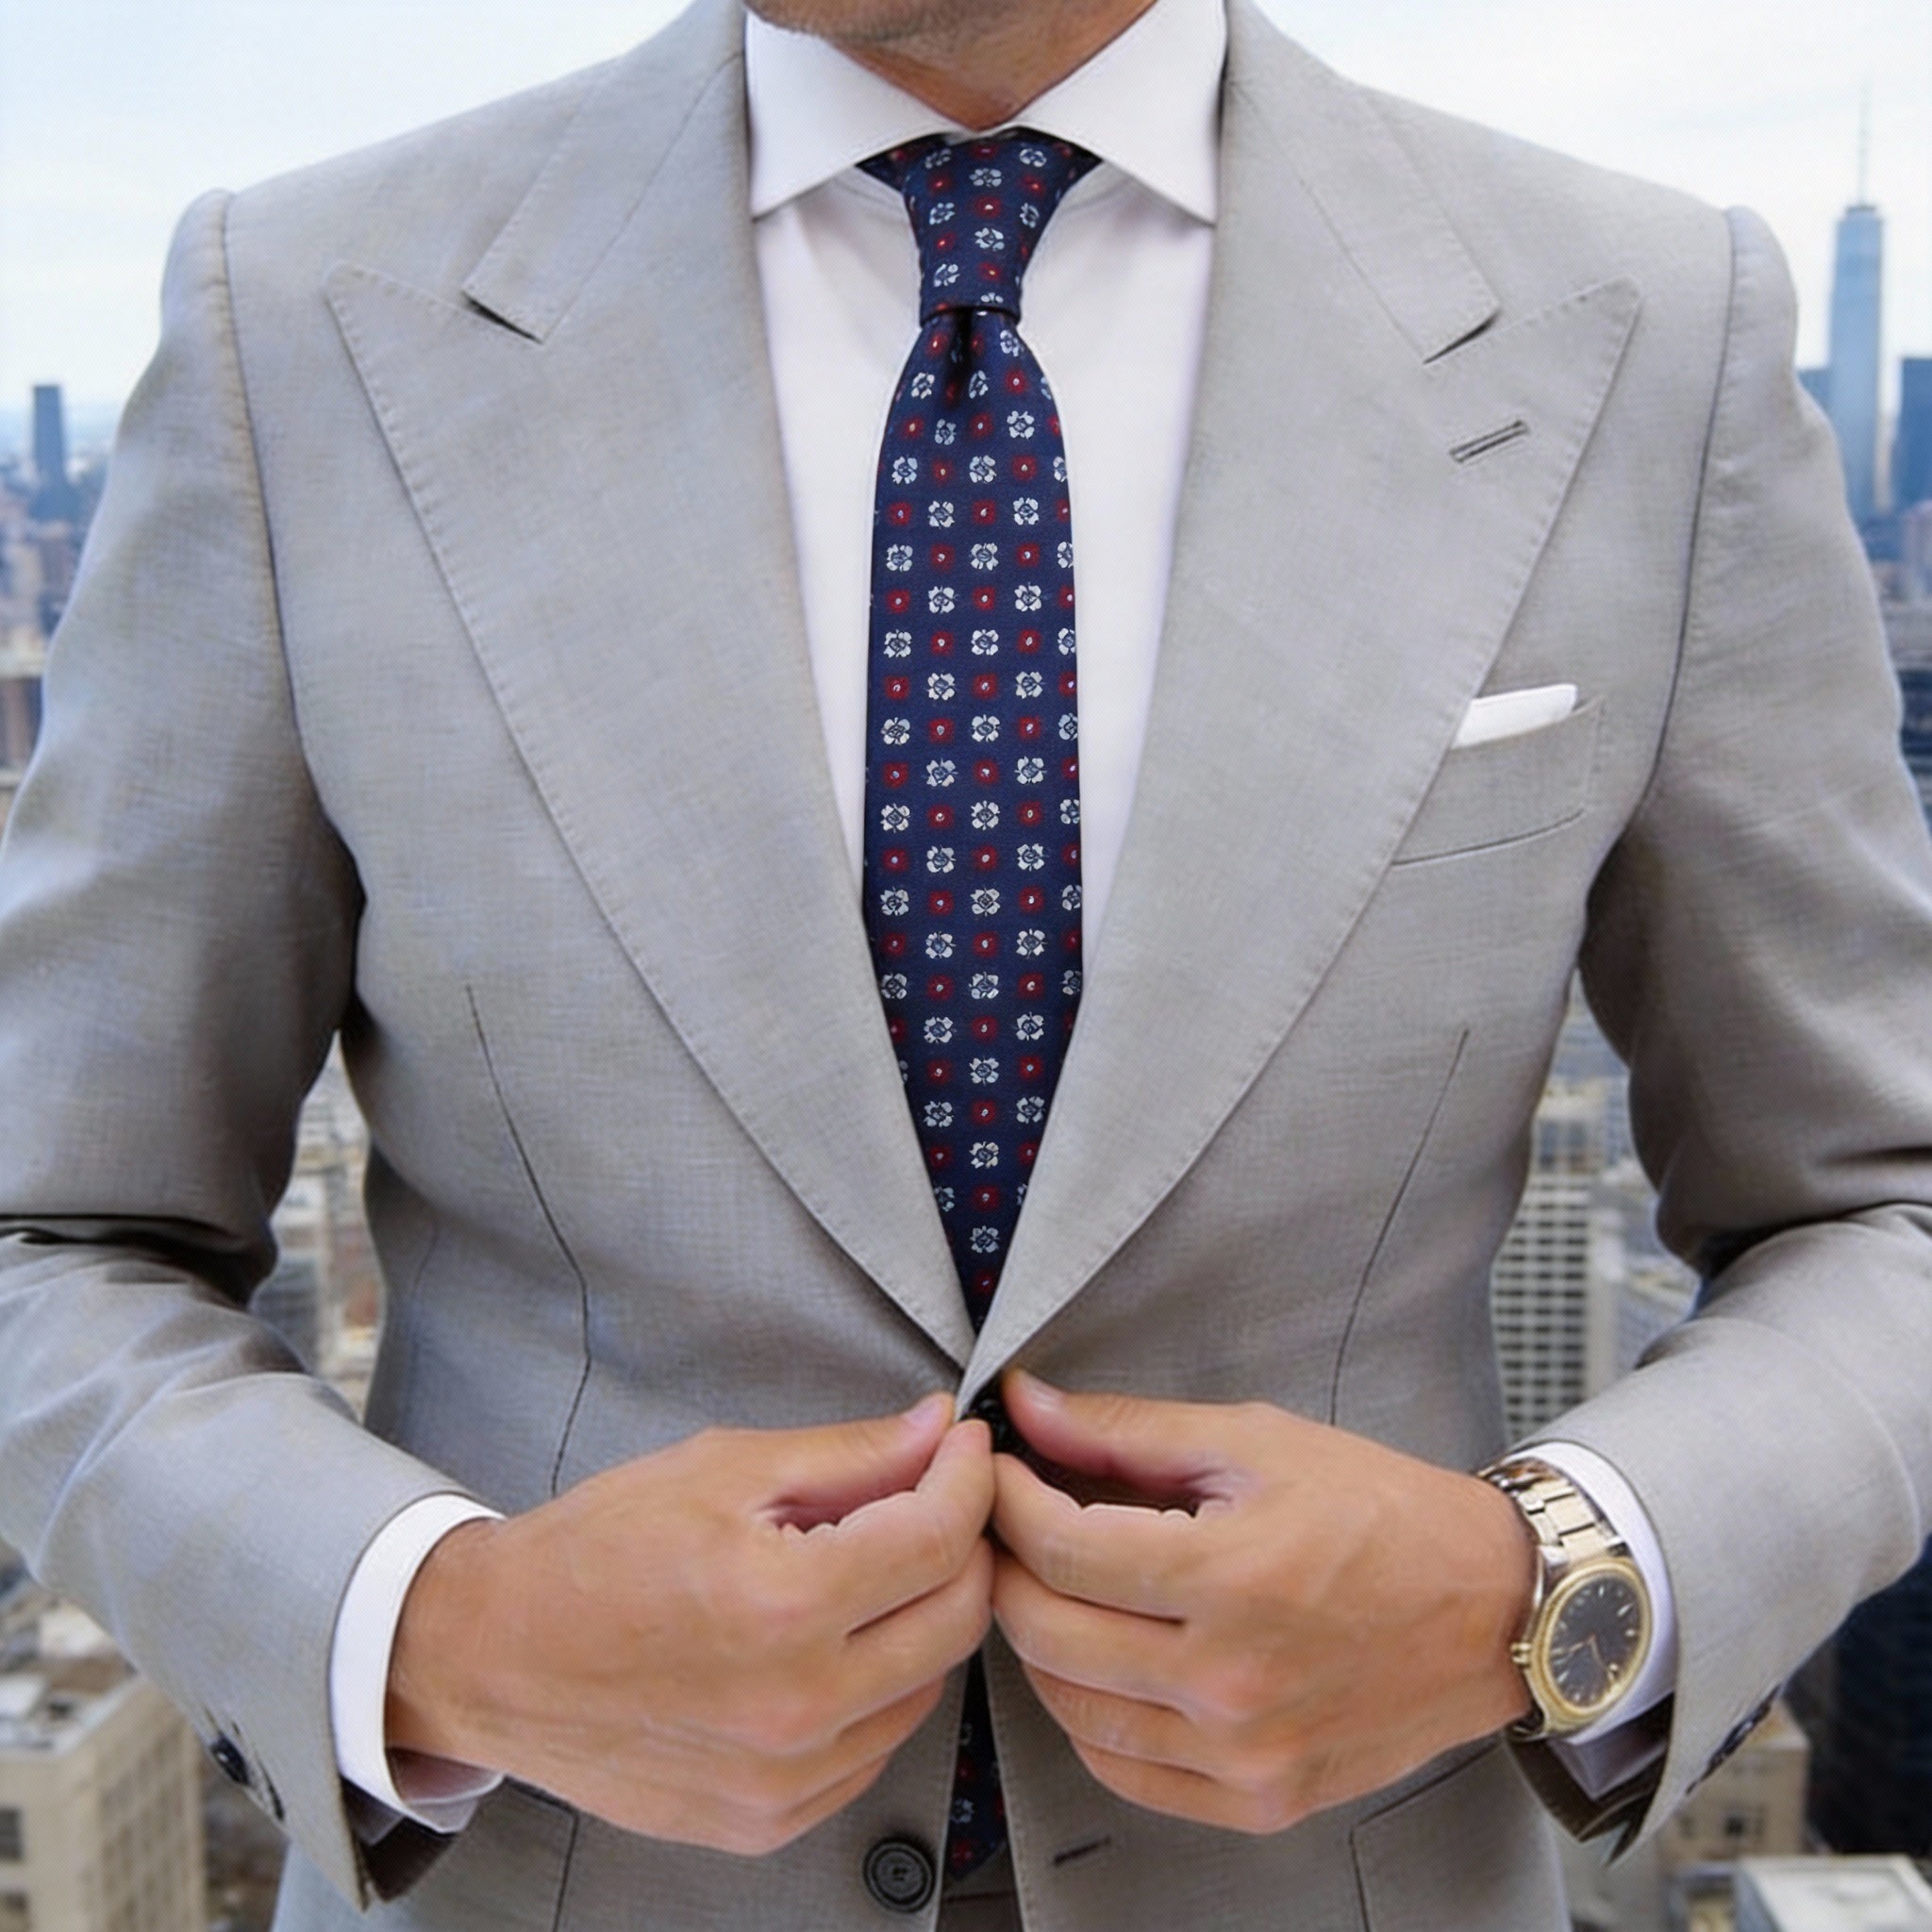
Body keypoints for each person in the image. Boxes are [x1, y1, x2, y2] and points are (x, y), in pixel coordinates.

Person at [1, 0, 1929, 1925]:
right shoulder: (304, 319)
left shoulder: (1649, 331)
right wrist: (446, 1630)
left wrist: (1541, 1589)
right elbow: (55, 1233)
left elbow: (1880, 1208)